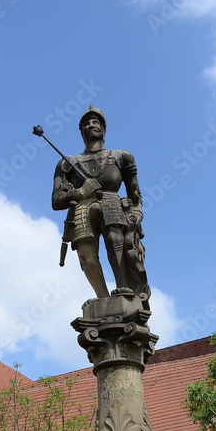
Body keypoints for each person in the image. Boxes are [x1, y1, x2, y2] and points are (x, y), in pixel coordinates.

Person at [51, 107, 150, 307]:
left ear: (104, 129)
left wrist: (136, 214)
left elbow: (136, 196)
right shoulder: (67, 163)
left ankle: (124, 288)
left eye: (96, 122)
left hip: (112, 203)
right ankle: (103, 297)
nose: (91, 125)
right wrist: (80, 192)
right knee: (87, 256)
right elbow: (56, 199)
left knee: (115, 238)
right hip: (82, 208)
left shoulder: (122, 157)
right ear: (81, 132)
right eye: (86, 123)